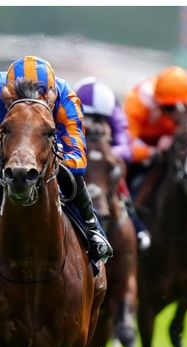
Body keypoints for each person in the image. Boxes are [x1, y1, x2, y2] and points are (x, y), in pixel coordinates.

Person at [0, 55, 113, 275]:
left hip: (48, 150)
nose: (33, 102)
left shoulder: (66, 98)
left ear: (51, 95)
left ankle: (91, 228)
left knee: (71, 176)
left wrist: (48, 162)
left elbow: (78, 158)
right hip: (2, 148)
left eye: (41, 97)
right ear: (7, 95)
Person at [122, 65, 187, 216]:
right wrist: (153, 151)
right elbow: (125, 147)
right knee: (123, 181)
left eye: (183, 106)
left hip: (182, 149)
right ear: (156, 101)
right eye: (170, 108)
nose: (177, 113)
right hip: (147, 152)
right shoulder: (137, 100)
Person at [74, 77, 151, 249]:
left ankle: (135, 223)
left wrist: (105, 154)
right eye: (88, 115)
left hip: (103, 161)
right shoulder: (70, 108)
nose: (93, 120)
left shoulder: (115, 112)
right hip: (79, 158)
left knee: (118, 178)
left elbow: (126, 146)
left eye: (99, 117)